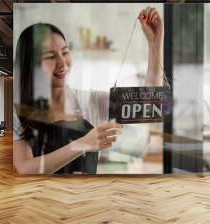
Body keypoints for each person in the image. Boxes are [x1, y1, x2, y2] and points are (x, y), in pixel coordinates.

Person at [13, 7, 164, 174]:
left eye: (65, 52)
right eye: (50, 56)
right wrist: (83, 144)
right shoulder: (20, 111)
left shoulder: (91, 102)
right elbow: (24, 168)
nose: (62, 63)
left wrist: (154, 43)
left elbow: (150, 102)